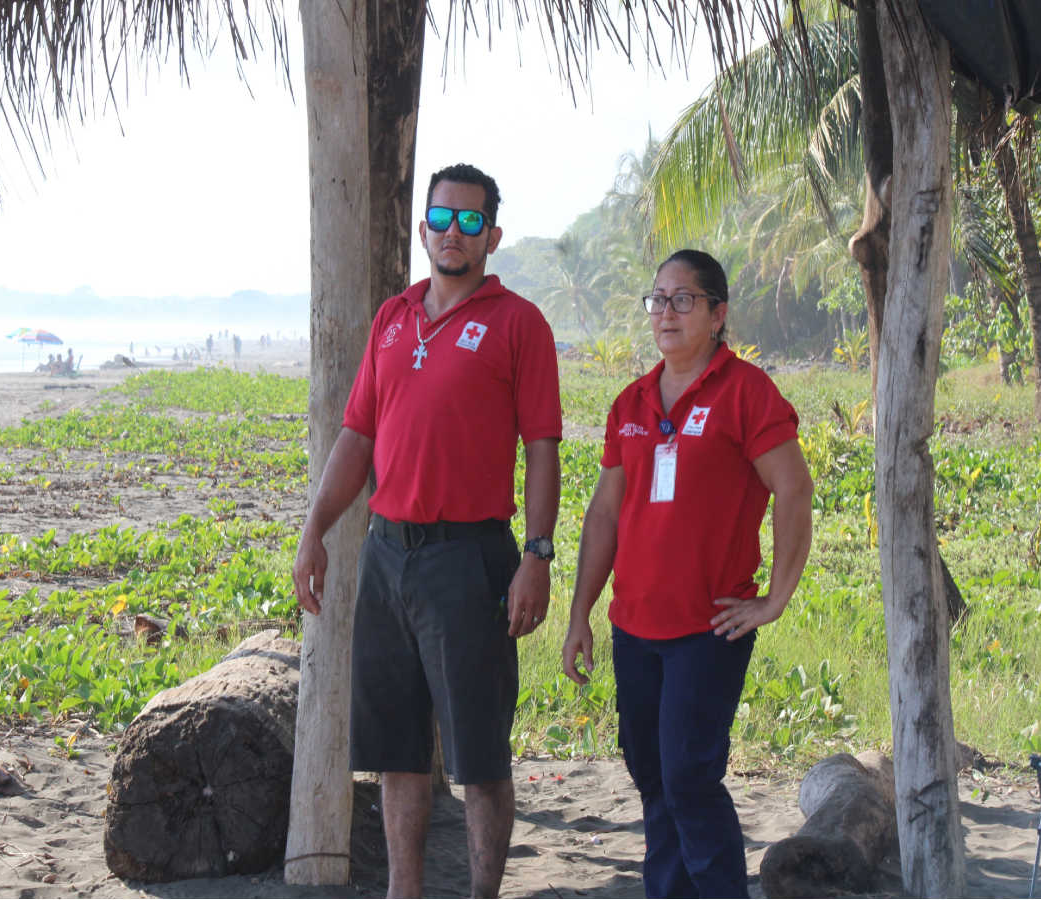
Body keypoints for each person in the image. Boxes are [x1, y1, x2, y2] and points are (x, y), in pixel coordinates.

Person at [292, 162, 562, 898]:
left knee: (478, 755)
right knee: (396, 751)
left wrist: (536, 555)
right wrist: (315, 529)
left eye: (470, 221)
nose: (454, 232)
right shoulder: (393, 316)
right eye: (442, 219)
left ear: (492, 236)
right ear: (424, 229)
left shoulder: (518, 325)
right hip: (386, 555)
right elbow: (357, 436)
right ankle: (402, 892)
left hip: (469, 557)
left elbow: (542, 448)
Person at [562, 249, 813, 898]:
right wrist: (579, 615)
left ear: (717, 314)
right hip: (634, 626)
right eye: (657, 299)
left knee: (689, 777)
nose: (665, 312)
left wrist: (775, 599)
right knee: (651, 775)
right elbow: (604, 515)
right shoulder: (631, 402)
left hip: (709, 628)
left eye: (683, 300)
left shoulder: (746, 392)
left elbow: (793, 490)